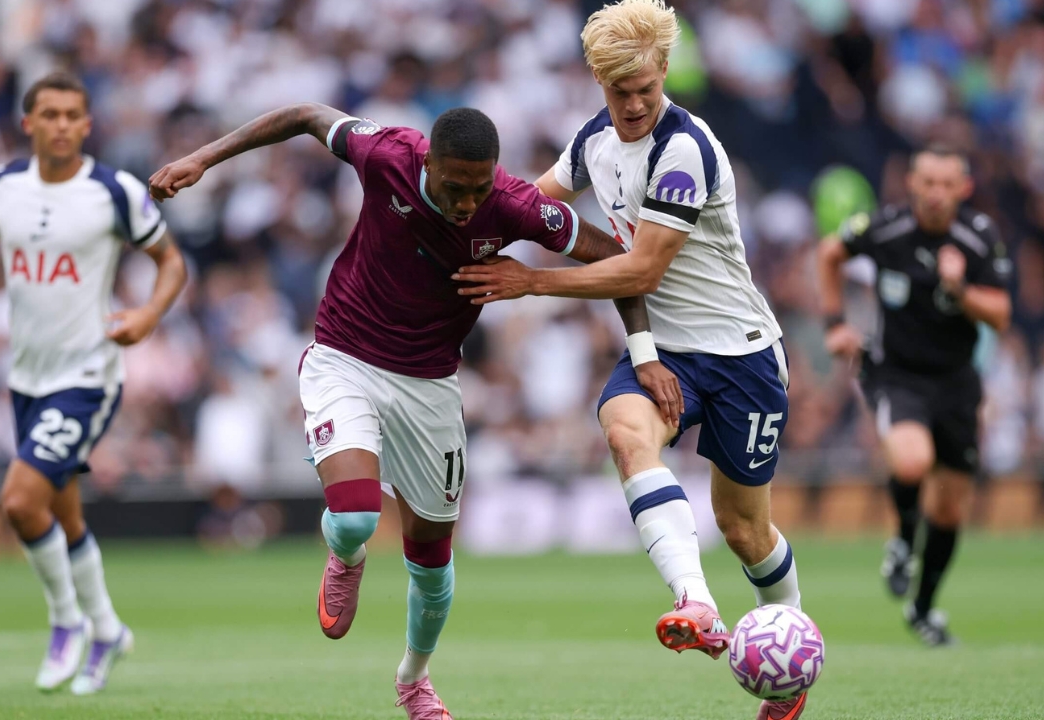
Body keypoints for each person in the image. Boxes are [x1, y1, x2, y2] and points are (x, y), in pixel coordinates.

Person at [149, 104, 674, 720]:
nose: (467, 203)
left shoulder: (515, 205)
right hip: (344, 358)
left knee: (430, 557)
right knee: (355, 518)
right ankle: (346, 557)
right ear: (429, 164)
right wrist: (202, 158)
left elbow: (619, 262)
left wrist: (643, 353)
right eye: (455, 187)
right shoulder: (386, 155)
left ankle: (413, 680)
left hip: (430, 386)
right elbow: (304, 115)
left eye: (479, 188)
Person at [453, 2, 806, 717]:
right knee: (623, 431)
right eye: (621, 92)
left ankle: (791, 652)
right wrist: (453, 232)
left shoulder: (686, 151)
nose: (636, 103)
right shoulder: (593, 141)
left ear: (665, 70)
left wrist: (530, 282)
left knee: (743, 529)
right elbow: (528, 205)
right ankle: (696, 602)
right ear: (599, 82)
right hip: (664, 349)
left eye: (646, 87)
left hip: (739, 354)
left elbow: (640, 268)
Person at [0, 71, 188, 694]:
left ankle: (66, 623)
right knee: (62, 512)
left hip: (86, 375)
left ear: (86, 124)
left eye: (70, 115)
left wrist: (148, 315)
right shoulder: (2, 187)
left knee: (20, 502)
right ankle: (107, 630)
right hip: (25, 378)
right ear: (28, 123)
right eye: (48, 114)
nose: (60, 125)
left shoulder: (113, 191)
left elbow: (170, 263)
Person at [816, 145, 1012, 645]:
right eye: (928, 182)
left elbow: (1000, 314)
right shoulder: (885, 228)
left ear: (964, 188)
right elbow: (829, 253)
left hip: (956, 382)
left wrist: (959, 288)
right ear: (911, 183)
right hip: (896, 374)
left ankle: (923, 610)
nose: (936, 194)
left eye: (947, 184)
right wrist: (835, 323)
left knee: (948, 511)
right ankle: (903, 541)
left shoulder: (979, 238)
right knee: (911, 462)